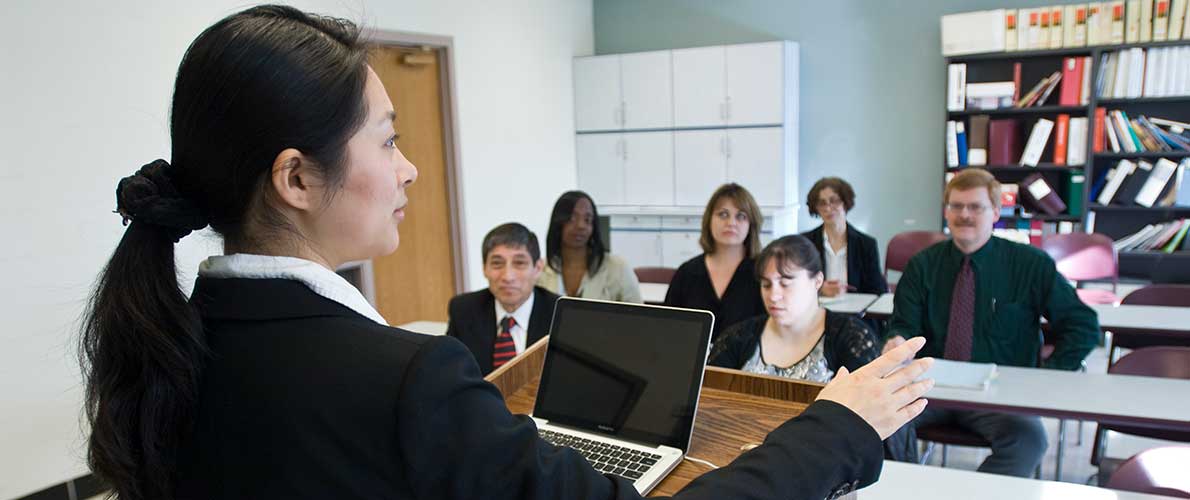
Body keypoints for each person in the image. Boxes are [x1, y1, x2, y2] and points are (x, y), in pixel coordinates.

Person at [79, 5, 935, 499]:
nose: (411, 168)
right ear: (297, 178)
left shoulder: (174, 345)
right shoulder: (406, 382)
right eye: (386, 142)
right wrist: (839, 426)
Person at [884, 168, 1099, 478]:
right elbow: (904, 324)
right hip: (931, 390)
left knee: (1029, 440)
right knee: (876, 423)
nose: (964, 215)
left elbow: (1083, 325)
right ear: (946, 211)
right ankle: (911, 489)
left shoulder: (1029, 264)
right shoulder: (922, 265)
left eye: (976, 207)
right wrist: (897, 341)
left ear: (996, 212)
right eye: (956, 206)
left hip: (998, 395)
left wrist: (1048, 377)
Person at [708, 235, 917, 463]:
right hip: (743, 458)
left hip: (826, 462)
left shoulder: (850, 338)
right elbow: (709, 403)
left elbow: (872, 424)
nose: (773, 295)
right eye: (766, 284)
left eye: (786, 283)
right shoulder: (738, 337)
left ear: (817, 281)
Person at [446, 223, 559, 375]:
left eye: (519, 263)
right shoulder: (464, 310)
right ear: (484, 268)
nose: (508, 277)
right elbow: (452, 373)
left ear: (537, 268)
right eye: (497, 263)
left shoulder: (559, 313)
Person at [664, 183, 767, 341]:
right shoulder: (687, 273)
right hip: (694, 364)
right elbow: (668, 328)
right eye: (723, 214)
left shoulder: (762, 274)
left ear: (751, 225)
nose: (731, 223)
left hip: (745, 365)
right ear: (709, 220)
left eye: (741, 216)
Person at [537, 191, 642, 303]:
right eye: (572, 218)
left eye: (587, 220)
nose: (581, 226)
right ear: (558, 222)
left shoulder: (617, 267)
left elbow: (640, 316)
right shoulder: (540, 270)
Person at [800, 177, 887, 297]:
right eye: (822, 203)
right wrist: (819, 288)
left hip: (856, 312)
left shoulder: (866, 244)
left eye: (834, 201)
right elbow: (795, 284)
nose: (828, 208)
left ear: (845, 203)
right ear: (816, 208)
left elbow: (878, 290)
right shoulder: (805, 242)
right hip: (817, 309)